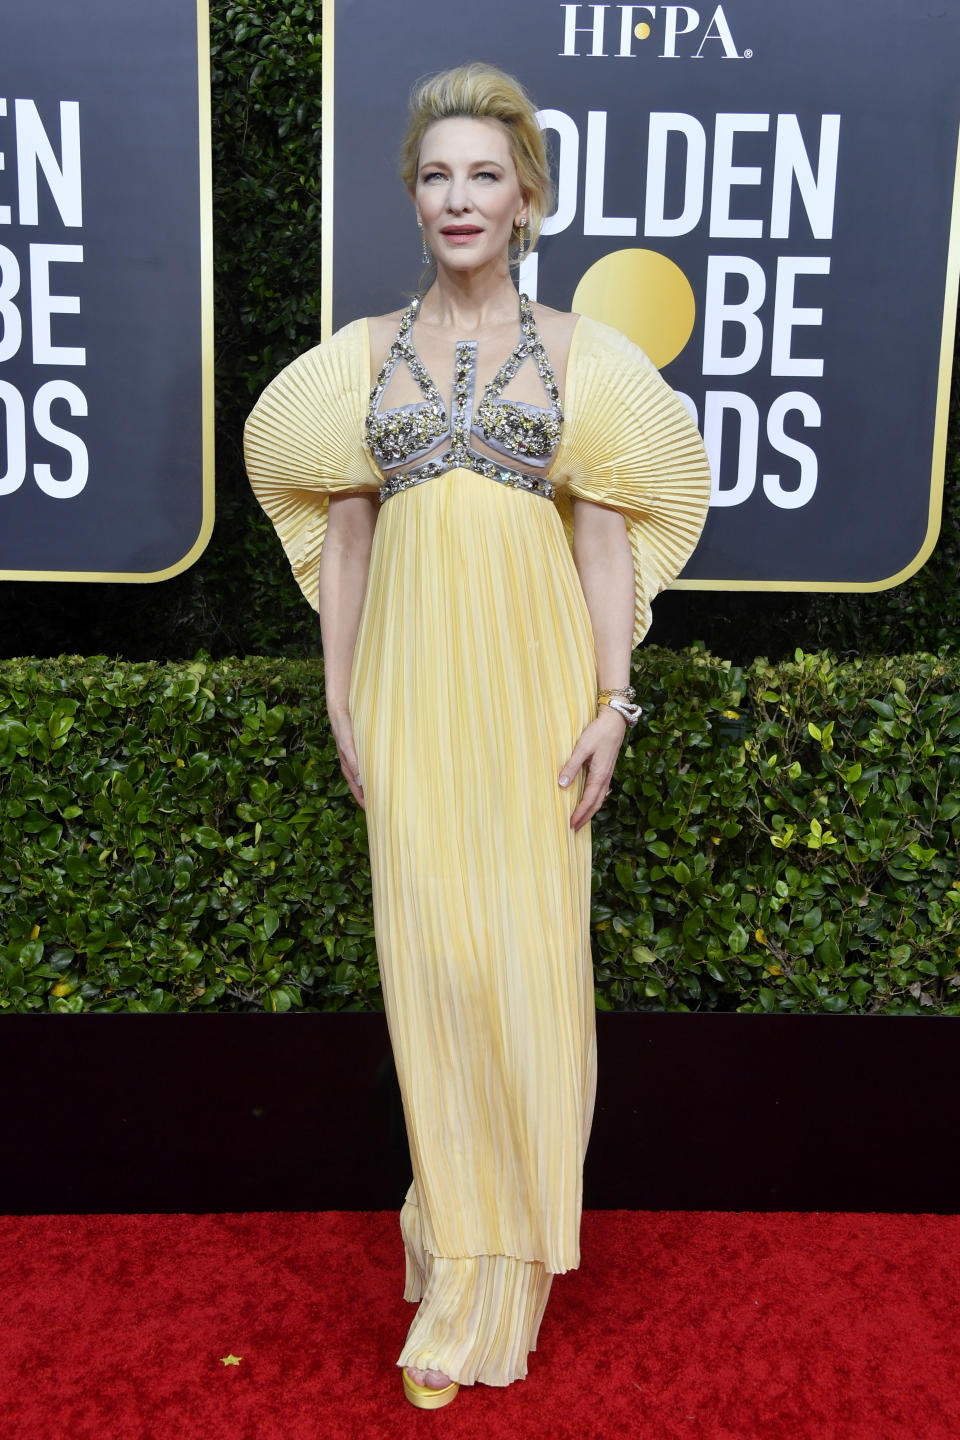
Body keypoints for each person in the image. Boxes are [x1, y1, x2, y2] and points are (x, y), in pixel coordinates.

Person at [244, 62, 711, 1409]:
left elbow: (608, 534)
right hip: (407, 691)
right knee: (432, 968)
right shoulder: (359, 358)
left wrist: (611, 705)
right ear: (414, 195)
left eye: (484, 176)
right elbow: (341, 532)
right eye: (437, 175)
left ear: (526, 199)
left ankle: (495, 1267)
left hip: (532, 698)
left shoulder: (579, 358)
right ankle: (454, 1247)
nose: (460, 197)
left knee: (527, 971)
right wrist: (341, 695)